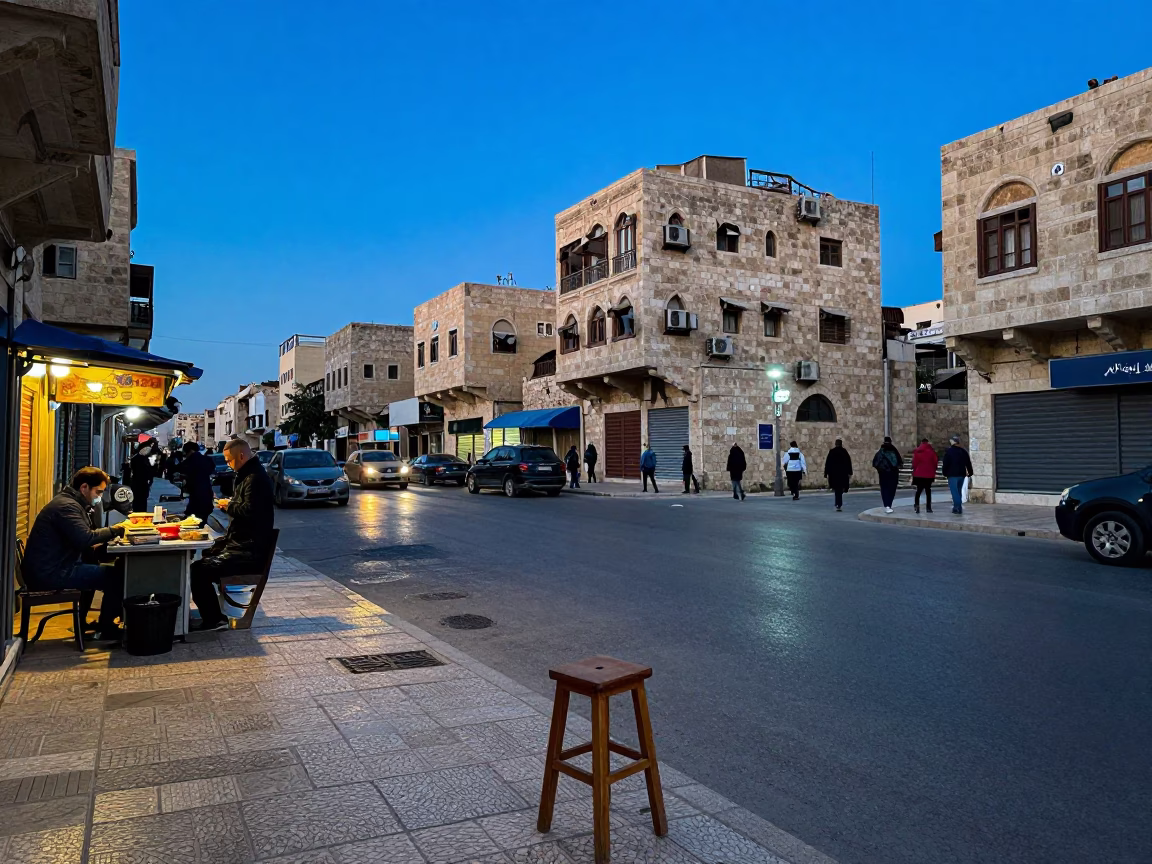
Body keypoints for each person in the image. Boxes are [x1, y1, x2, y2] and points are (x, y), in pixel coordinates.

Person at [21, 467, 128, 639]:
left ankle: (91, 622)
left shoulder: (71, 503)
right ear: (84, 487)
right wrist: (116, 530)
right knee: (115, 577)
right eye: (98, 492)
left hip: (55, 567)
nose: (99, 497)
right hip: (51, 573)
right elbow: (85, 538)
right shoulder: (66, 507)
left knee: (97, 567)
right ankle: (107, 628)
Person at [189, 439, 275, 631]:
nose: (228, 464)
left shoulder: (255, 478)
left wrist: (228, 505)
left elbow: (250, 511)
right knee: (202, 556)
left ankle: (214, 619)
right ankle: (213, 613)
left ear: (241, 456)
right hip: (241, 545)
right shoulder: (247, 476)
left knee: (198, 570)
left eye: (229, 460)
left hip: (248, 552)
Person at [174, 440, 215, 521]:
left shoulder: (188, 462)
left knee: (194, 520)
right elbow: (211, 470)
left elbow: (179, 471)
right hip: (207, 493)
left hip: (195, 496)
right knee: (204, 518)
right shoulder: (207, 460)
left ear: (190, 451)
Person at [941, 434, 974, 515]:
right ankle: (957, 508)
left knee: (954, 491)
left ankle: (957, 506)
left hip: (952, 475)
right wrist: (970, 472)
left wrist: (944, 472)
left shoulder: (949, 452)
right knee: (958, 490)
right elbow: (968, 463)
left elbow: (945, 464)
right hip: (961, 474)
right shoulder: (963, 451)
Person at [872, 436, 903, 513]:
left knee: (884, 489)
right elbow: (900, 463)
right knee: (892, 489)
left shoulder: (880, 452)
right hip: (893, 474)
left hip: (883, 474)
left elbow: (875, 463)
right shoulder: (894, 451)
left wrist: (881, 470)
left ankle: (886, 505)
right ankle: (889, 504)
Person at [823, 439, 853, 512]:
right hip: (843, 474)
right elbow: (849, 462)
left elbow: (828, 463)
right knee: (840, 489)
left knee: (837, 490)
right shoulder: (844, 452)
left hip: (834, 475)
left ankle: (838, 504)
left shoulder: (832, 452)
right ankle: (839, 504)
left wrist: (826, 473)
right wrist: (850, 472)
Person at [911, 438, 938, 514]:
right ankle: (928, 508)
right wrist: (933, 470)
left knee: (918, 491)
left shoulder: (917, 452)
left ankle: (917, 506)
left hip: (919, 474)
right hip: (929, 474)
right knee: (928, 491)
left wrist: (914, 471)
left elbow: (915, 463)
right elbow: (935, 463)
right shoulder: (932, 452)